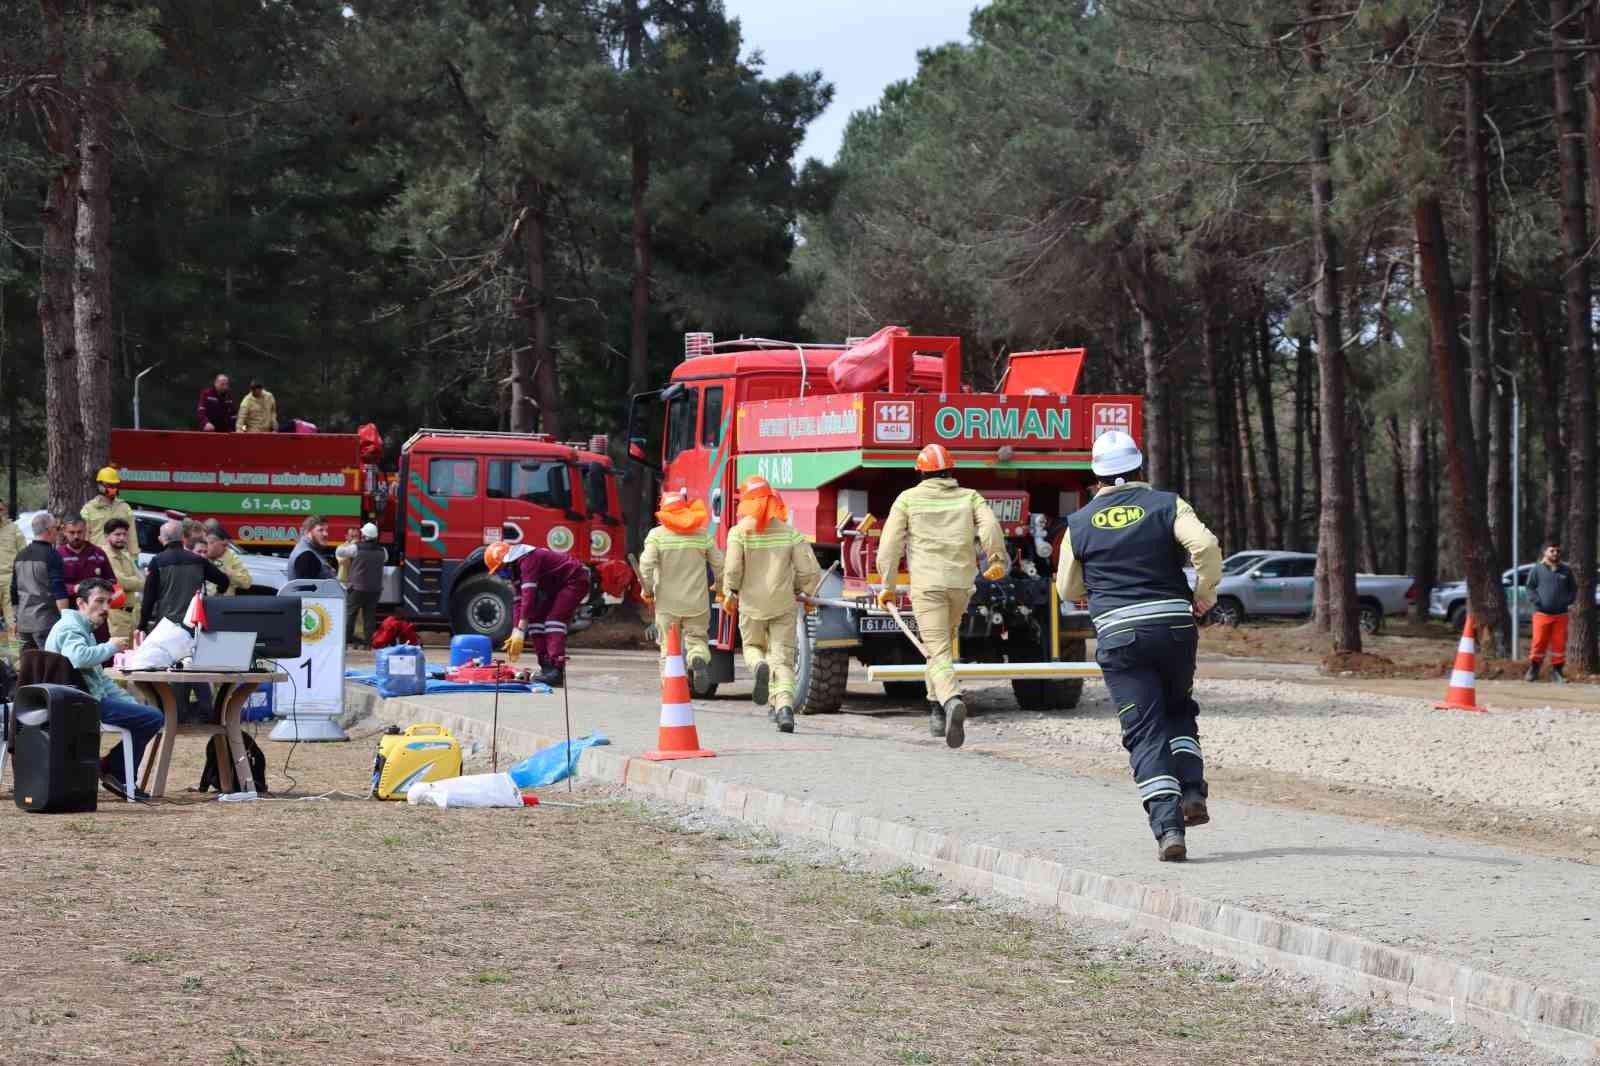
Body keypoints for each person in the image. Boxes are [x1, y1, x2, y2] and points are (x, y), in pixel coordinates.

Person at [1055, 430, 1222, 863]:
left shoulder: (1080, 522)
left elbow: (1066, 587)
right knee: (1178, 711)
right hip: (1173, 627)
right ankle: (1191, 790)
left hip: (1120, 638)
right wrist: (1205, 592)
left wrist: (1091, 590)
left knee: (1145, 731)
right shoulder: (1168, 504)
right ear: (1139, 468)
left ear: (1096, 476)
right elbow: (1203, 545)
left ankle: (1169, 829)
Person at [873, 444, 1007, 748]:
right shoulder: (969, 496)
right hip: (960, 584)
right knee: (941, 645)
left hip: (928, 586)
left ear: (921, 471)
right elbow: (990, 525)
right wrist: (996, 559)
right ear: (951, 469)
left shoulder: (907, 499)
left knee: (937, 651)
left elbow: (890, 545)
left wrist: (887, 585)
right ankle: (935, 710)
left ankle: (950, 699)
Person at [45, 577, 165, 802]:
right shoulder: (71, 628)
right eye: (99, 601)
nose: (106, 608)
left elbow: (102, 680)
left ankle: (112, 768)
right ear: (81, 603)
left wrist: (130, 703)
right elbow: (79, 658)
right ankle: (114, 770)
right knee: (152, 718)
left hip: (84, 700)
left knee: (148, 716)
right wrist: (111, 646)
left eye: (108, 602)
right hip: (79, 704)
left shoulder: (83, 629)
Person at [723, 476, 820, 734]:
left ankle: (758, 667)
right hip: (783, 604)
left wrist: (730, 593)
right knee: (784, 660)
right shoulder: (790, 533)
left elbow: (732, 570)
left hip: (751, 605)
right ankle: (785, 708)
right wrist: (802, 591)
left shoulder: (739, 532)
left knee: (754, 646)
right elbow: (809, 570)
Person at [638, 488, 724, 689]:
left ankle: (673, 690)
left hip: (668, 605)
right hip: (697, 603)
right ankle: (696, 658)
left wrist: (647, 590)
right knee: (697, 640)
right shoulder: (702, 534)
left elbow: (646, 564)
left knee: (669, 648)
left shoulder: (656, 535)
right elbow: (720, 564)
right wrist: (720, 587)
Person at [486, 537, 588, 688]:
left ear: (507, 561)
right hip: (555, 587)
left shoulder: (528, 559)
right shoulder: (515, 570)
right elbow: (518, 601)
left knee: (554, 621)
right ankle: (546, 666)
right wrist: (515, 631)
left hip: (574, 580)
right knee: (534, 622)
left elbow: (529, 595)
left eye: (501, 570)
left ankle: (557, 670)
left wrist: (521, 628)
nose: (502, 575)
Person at [140, 519, 230, 631]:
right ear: (183, 538)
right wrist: (218, 593)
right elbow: (224, 581)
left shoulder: (157, 561)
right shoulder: (198, 561)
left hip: (165, 625)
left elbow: (149, 598)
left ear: (161, 539)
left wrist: (142, 626)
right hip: (193, 623)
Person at [12, 512, 68, 652]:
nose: (58, 532)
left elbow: (13, 591)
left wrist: (16, 620)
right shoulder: (52, 555)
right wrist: (67, 620)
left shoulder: (21, 555)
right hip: (46, 622)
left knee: (27, 667)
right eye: (56, 528)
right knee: (51, 666)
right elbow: (58, 590)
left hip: (24, 623)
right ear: (49, 530)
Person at [1526, 540, 1577, 683]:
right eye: (1552, 551)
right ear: (1545, 552)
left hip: (1560, 615)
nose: (1555, 553)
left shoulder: (1566, 570)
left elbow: (1573, 589)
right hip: (1541, 614)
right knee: (1538, 643)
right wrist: (1537, 601)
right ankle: (1534, 670)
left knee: (1559, 644)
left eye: (1558, 551)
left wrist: (1568, 600)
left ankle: (1557, 673)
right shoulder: (1537, 569)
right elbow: (1529, 587)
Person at [58, 515, 115, 640]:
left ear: (86, 531)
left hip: (97, 615)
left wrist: (101, 589)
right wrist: (73, 588)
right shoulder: (58, 555)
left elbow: (112, 580)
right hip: (71, 614)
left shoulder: (98, 553)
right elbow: (53, 585)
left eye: (80, 532)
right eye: (72, 532)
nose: (76, 536)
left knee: (102, 649)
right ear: (64, 532)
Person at [102, 518, 145, 640]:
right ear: (107, 536)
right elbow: (119, 581)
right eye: (117, 534)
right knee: (118, 656)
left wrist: (129, 582)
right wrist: (131, 581)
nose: (122, 538)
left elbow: (143, 583)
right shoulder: (103, 555)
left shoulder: (126, 555)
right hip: (114, 617)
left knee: (133, 656)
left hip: (133, 616)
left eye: (124, 534)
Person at [346, 523, 386, 649]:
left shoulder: (356, 548)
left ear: (364, 535)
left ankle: (346, 642)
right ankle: (368, 643)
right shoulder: (382, 550)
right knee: (369, 616)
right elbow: (385, 559)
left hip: (357, 588)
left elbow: (340, 552)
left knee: (350, 614)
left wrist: (351, 543)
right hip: (375, 589)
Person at [80, 467, 134, 548]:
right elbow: (84, 537)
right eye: (109, 485)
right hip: (97, 557)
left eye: (115, 485)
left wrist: (133, 557)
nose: (113, 488)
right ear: (99, 485)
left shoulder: (125, 507)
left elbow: (132, 535)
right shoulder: (88, 509)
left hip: (120, 556)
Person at [203, 520, 252, 597]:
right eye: (204, 543)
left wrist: (228, 573)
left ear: (223, 543)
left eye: (210, 543)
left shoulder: (231, 556)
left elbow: (246, 583)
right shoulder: (199, 555)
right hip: (201, 602)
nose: (206, 547)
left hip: (223, 603)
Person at [0, 499, 26, 641]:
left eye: (1, 509)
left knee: (14, 625)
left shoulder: (13, 529)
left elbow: (24, 554)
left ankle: (17, 662)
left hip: (11, 581)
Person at [289, 515, 336, 580]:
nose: (326, 534)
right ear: (307, 532)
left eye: (326, 530)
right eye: (320, 530)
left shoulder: (311, 551)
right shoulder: (306, 556)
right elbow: (308, 589)